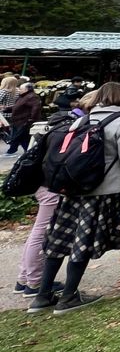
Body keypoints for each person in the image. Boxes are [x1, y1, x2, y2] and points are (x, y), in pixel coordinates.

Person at [27, 84, 120, 314]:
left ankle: (43, 295)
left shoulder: (87, 116)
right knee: (84, 241)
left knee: (60, 239)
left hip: (74, 184)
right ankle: (69, 296)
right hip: (102, 188)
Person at [12, 97, 87, 298]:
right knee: (43, 231)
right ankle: (35, 282)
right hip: (51, 185)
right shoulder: (71, 127)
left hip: (42, 183)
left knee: (38, 230)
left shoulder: (58, 122)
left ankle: (25, 278)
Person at [6, 82, 42, 155]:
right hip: (19, 120)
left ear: (27, 89)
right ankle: (28, 152)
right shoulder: (23, 96)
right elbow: (17, 106)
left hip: (24, 120)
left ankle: (14, 150)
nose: (19, 90)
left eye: (21, 89)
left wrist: (32, 119)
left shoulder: (32, 96)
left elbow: (36, 108)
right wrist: (6, 108)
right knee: (23, 138)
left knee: (20, 137)